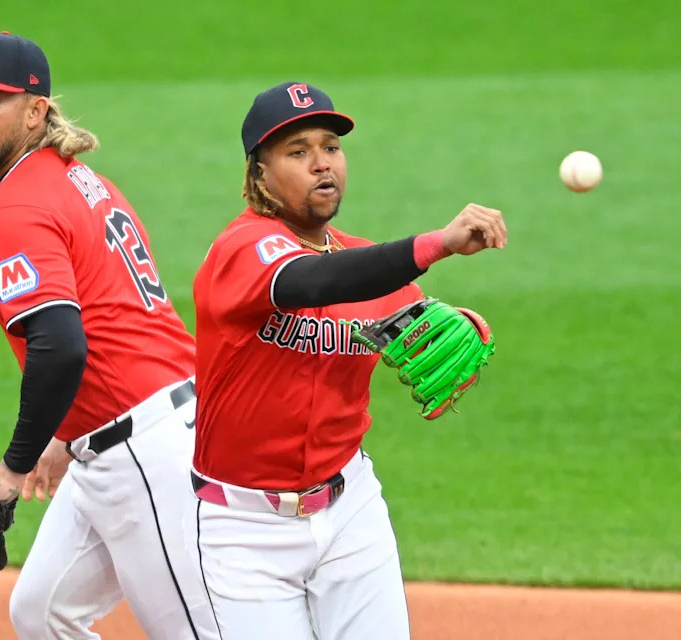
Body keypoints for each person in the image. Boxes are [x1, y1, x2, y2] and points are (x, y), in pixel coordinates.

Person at [0, 32, 218, 640]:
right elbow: (112, 316)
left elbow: (61, 345)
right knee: (43, 612)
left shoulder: (14, 209)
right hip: (145, 423)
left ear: (36, 111)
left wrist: (10, 473)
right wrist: (64, 433)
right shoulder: (79, 179)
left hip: (143, 452)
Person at [188, 81, 508, 639]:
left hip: (348, 509)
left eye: (330, 147)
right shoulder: (241, 251)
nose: (321, 165)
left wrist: (464, 325)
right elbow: (314, 280)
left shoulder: (363, 260)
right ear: (258, 173)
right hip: (244, 529)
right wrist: (436, 244)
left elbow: (416, 311)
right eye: (297, 152)